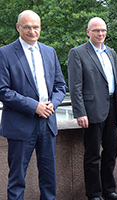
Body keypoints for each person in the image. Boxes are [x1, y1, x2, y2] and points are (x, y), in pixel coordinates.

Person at [0, 10, 67, 199]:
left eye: (35, 27)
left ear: (40, 27)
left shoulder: (49, 51)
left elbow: (61, 86)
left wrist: (52, 105)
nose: (32, 31)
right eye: (27, 27)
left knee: (48, 177)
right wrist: (34, 106)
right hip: (20, 124)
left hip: (47, 123)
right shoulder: (4, 53)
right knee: (17, 178)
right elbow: (3, 90)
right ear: (18, 27)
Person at [67, 17, 117, 200]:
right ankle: (94, 195)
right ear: (88, 32)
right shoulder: (77, 53)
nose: (100, 33)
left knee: (111, 152)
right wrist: (80, 112)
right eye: (96, 30)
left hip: (112, 108)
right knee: (93, 155)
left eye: (103, 30)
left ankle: (109, 192)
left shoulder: (111, 52)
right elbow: (75, 86)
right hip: (92, 110)